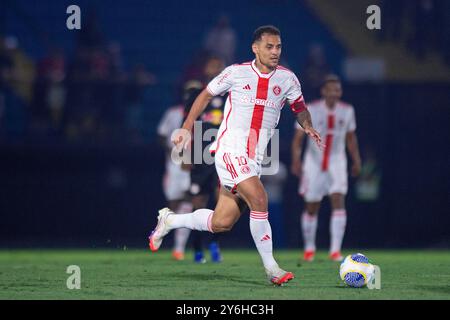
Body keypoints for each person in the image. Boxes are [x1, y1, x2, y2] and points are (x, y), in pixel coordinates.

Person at [149, 25, 322, 285]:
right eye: (269, 47)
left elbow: (299, 107)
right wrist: (186, 128)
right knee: (260, 198)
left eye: (278, 47)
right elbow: (205, 95)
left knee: (221, 222)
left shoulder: (287, 79)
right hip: (230, 149)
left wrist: (306, 124)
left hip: (254, 158)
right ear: (255, 48)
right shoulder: (236, 73)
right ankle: (272, 269)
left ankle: (170, 220)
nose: (275, 52)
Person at [291, 74, 361, 262]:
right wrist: (296, 160)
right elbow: (298, 139)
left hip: (337, 161)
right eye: (330, 89)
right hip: (313, 163)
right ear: (323, 91)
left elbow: (350, 138)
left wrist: (356, 160)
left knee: (338, 199)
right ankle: (309, 248)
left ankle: (335, 250)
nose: (334, 93)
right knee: (312, 205)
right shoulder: (311, 109)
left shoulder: (347, 111)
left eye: (337, 90)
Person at [183, 57, 226, 263]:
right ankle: (198, 248)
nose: (216, 67)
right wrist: (184, 155)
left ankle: (214, 243)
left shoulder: (230, 96)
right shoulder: (196, 94)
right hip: (200, 157)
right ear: (205, 68)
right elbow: (187, 125)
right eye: (212, 64)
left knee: (222, 203)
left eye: (219, 65)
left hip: (222, 158)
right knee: (198, 204)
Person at [156, 83, 197, 261]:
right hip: (175, 166)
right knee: (173, 204)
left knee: (188, 202)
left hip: (193, 166)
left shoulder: (202, 114)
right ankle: (159, 232)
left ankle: (179, 248)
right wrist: (174, 150)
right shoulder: (173, 113)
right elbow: (161, 135)